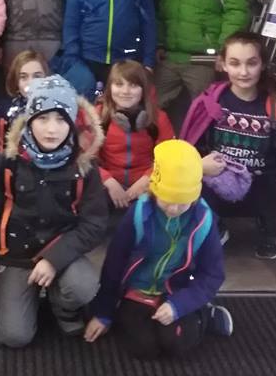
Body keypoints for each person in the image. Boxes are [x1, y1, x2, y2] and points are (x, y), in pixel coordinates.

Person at [0, 75, 108, 348]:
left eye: (61, 119)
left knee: (84, 286)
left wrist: (53, 260)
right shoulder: (9, 163)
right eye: (43, 118)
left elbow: (94, 224)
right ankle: (24, 299)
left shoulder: (84, 166)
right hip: (16, 256)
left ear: (72, 123)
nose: (51, 129)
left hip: (63, 253)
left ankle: (63, 307)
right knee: (14, 336)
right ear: (29, 120)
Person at [84, 140, 233, 359]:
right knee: (143, 348)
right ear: (154, 190)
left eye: (182, 203)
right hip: (137, 292)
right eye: (167, 200)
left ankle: (206, 314)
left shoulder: (204, 221)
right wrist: (103, 313)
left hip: (177, 291)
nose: (173, 209)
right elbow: (113, 265)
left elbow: (212, 274)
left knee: (176, 344)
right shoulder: (138, 214)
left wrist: (179, 305)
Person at [181, 32, 276, 260]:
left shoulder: (274, 107)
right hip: (217, 184)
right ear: (223, 64)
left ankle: (267, 227)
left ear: (262, 65)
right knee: (185, 188)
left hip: (258, 187)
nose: (243, 72)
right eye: (235, 63)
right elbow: (186, 150)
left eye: (251, 63)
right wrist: (198, 166)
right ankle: (215, 225)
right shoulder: (209, 103)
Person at [97, 60, 175, 211]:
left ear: (143, 89)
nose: (125, 91)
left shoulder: (159, 118)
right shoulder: (98, 115)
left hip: (148, 182)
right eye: (119, 84)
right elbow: (86, 158)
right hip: (108, 183)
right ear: (110, 88)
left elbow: (168, 159)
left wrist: (147, 179)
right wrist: (108, 181)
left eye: (133, 85)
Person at [0, 49, 50, 185]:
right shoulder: (2, 111)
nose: (31, 82)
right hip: (8, 182)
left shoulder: (56, 112)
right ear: (16, 81)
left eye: (37, 76)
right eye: (23, 77)